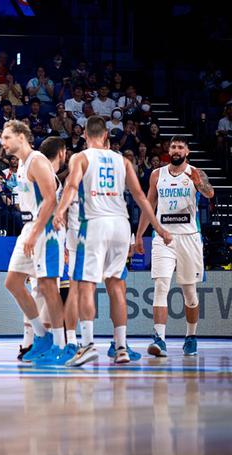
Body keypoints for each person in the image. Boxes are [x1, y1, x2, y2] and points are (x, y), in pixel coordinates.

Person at [53, 116, 172, 366]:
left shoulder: (81, 158)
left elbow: (72, 186)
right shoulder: (123, 160)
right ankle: (121, 347)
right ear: (106, 135)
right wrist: (158, 229)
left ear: (85, 134)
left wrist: (59, 211)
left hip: (94, 224)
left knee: (84, 285)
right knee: (117, 286)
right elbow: (140, 196)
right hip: (121, 224)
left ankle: (86, 345)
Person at [135, 136, 215, 357]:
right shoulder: (156, 175)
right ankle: (159, 339)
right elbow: (149, 205)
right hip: (164, 237)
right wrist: (139, 235)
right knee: (161, 286)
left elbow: (210, 194)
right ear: (168, 150)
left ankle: (191, 336)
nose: (177, 150)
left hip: (189, 237)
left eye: (181, 147)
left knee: (189, 292)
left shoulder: (195, 172)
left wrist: (198, 182)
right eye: (173, 147)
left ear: (187, 151)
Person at [1, 121, 66, 364]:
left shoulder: (37, 160)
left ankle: (60, 344)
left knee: (48, 287)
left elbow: (50, 200)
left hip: (44, 229)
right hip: (29, 227)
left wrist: (35, 232)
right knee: (13, 283)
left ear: (21, 136)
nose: (3, 142)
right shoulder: (20, 164)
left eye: (7, 137)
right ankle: (41, 335)